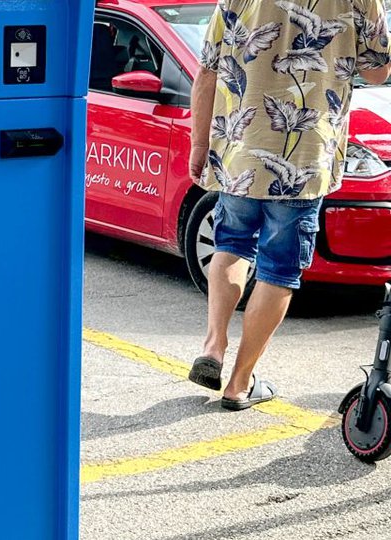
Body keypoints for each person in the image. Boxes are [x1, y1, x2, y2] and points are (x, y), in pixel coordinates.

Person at [187, 0, 391, 410]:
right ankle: (239, 384)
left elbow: (207, 71)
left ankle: (213, 345)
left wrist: (198, 143)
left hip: (241, 147)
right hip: (304, 157)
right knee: (279, 269)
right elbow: (377, 70)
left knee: (231, 245)